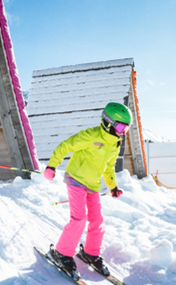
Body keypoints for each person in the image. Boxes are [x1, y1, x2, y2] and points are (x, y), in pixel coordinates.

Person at [44, 102, 131, 277]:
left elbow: (109, 167)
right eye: (121, 127)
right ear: (108, 123)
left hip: (92, 184)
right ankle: (61, 252)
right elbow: (66, 146)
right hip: (76, 178)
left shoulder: (115, 143)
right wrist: (52, 166)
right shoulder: (91, 135)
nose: (123, 132)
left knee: (97, 220)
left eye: (126, 129)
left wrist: (113, 186)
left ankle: (91, 253)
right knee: (79, 218)